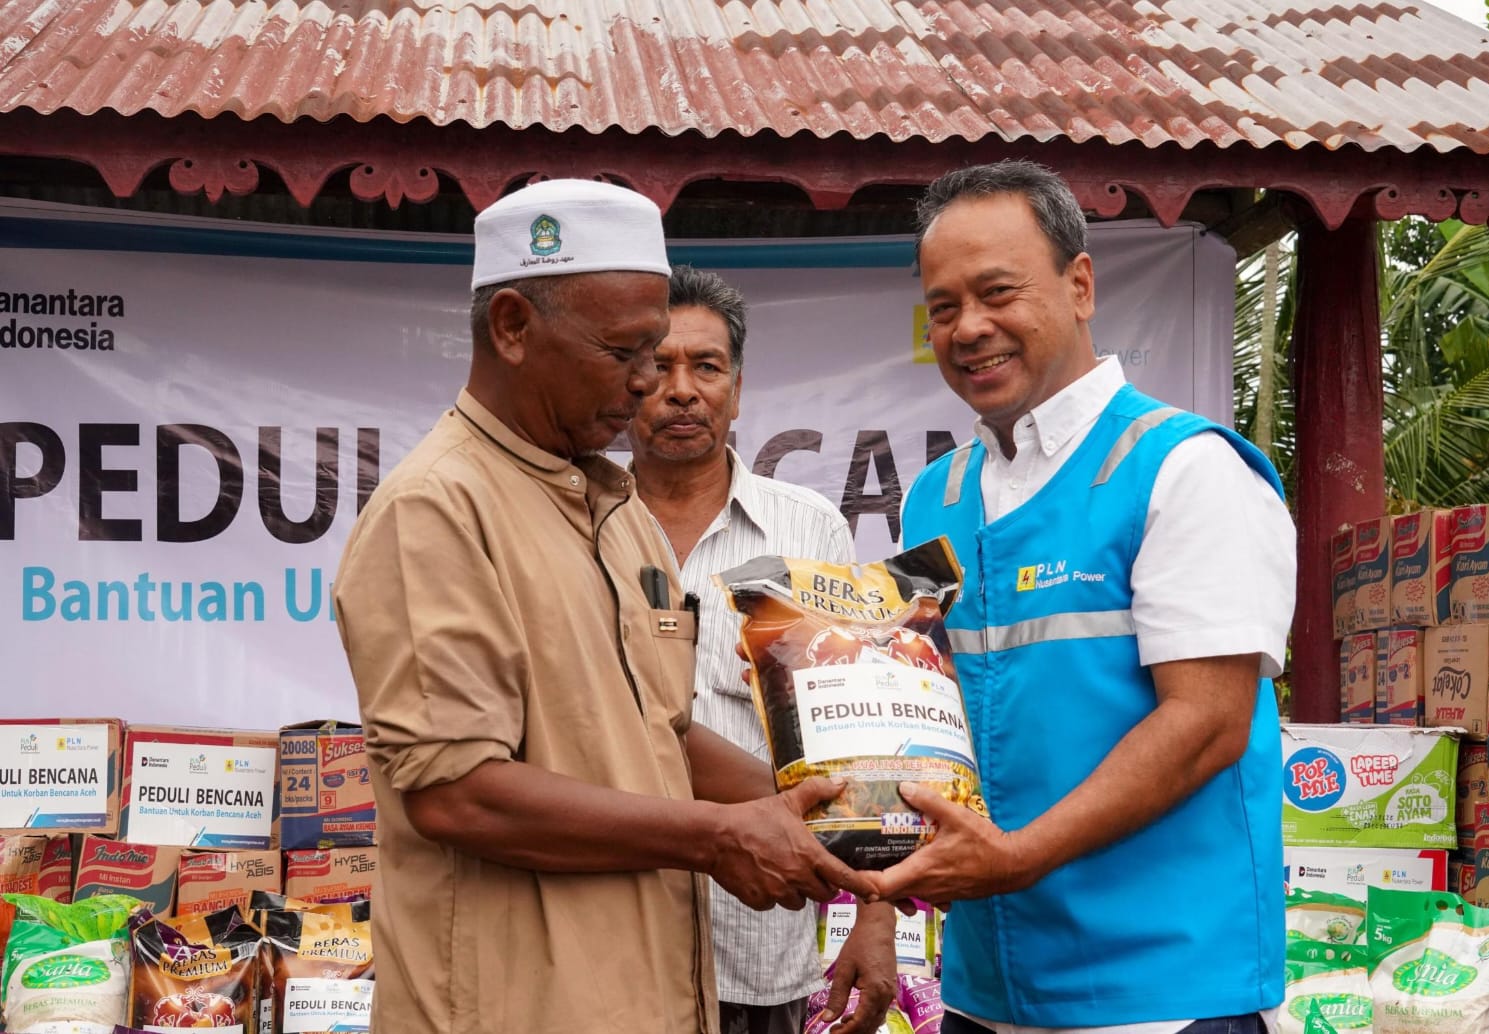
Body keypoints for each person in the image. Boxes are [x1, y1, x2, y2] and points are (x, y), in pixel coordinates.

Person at [333, 180, 874, 1034]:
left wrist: (850, 814)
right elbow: (458, 794)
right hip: (516, 1009)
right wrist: (718, 838)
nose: (646, 385)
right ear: (512, 326)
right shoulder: (436, 510)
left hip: (650, 997)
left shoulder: (613, 512)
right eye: (625, 353)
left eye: (656, 352)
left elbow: (659, 736)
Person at [866, 160, 1296, 1034]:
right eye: (943, 306)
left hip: (1161, 994)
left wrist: (1017, 858)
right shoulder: (932, 498)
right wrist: (876, 901)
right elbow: (916, 704)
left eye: (997, 292)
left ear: (1081, 284)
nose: (969, 328)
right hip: (987, 990)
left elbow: (1208, 723)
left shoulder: (1183, 469)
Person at [626, 265, 898, 1034]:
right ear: (625, 385)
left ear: (737, 391)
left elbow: (862, 737)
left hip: (759, 941)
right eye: (657, 366)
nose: (683, 389)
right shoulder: (577, 522)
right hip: (603, 940)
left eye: (706, 366)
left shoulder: (808, 531)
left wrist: (875, 913)